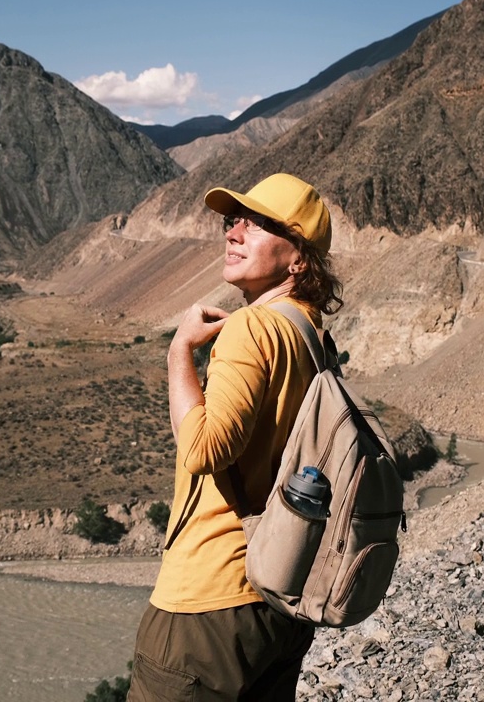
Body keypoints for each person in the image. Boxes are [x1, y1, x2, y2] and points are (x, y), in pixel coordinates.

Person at [129, 173, 344, 701]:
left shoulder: (252, 328)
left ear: (299, 258)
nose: (234, 232)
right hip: (278, 595)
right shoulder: (312, 334)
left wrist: (179, 352)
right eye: (233, 220)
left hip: (209, 601)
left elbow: (203, 448)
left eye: (260, 223)